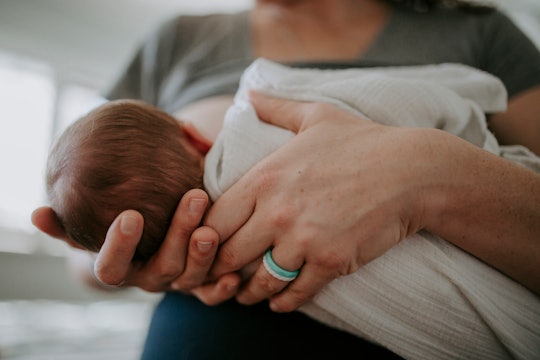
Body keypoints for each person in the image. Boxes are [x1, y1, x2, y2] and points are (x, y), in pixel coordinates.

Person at [31, 0, 540, 358]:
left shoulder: (482, 32)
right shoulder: (174, 41)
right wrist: (133, 260)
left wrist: (427, 170)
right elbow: (88, 250)